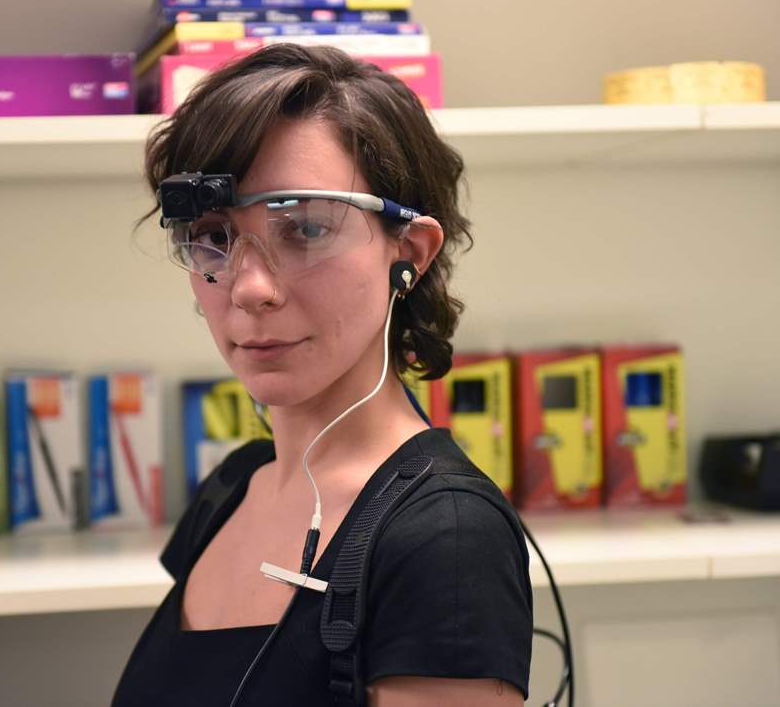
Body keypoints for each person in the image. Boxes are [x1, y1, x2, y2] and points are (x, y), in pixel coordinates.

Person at [112, 44, 533, 706]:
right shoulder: (231, 490)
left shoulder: (446, 539)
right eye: (214, 235)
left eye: (305, 229)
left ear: (409, 252)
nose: (249, 287)